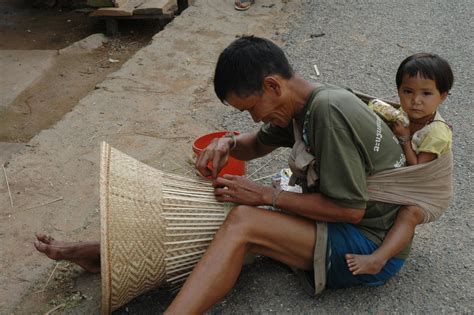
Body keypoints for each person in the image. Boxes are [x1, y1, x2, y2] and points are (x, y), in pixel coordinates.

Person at [36, 36, 416, 314]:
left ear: (272, 85)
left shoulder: (328, 114)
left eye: (252, 107)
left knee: (243, 221)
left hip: (368, 247)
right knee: (226, 205)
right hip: (346, 228)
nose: (254, 118)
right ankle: (104, 255)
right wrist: (229, 143)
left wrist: (265, 197)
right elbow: (258, 143)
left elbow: (350, 210)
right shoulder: (304, 103)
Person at [345, 53, 454, 275]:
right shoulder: (406, 114)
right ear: (399, 91)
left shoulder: (436, 133)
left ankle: (379, 259)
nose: (416, 100)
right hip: (408, 177)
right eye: (408, 92)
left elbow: (417, 170)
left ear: (442, 96)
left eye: (426, 93)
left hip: (427, 192)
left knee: (409, 213)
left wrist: (404, 138)